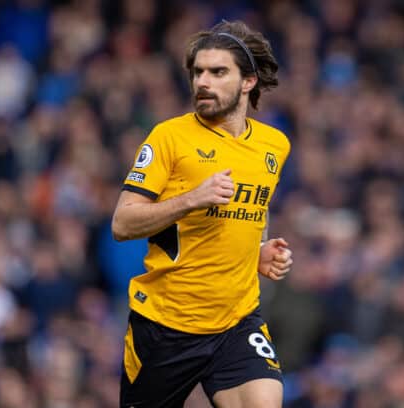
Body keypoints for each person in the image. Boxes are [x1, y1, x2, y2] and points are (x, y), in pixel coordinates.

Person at [112, 20, 293, 408]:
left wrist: (255, 253)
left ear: (248, 82)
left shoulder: (273, 145)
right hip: (166, 326)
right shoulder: (169, 137)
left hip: (236, 320)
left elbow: (248, 212)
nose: (202, 82)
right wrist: (191, 198)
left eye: (218, 72)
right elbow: (122, 223)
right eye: (198, 72)